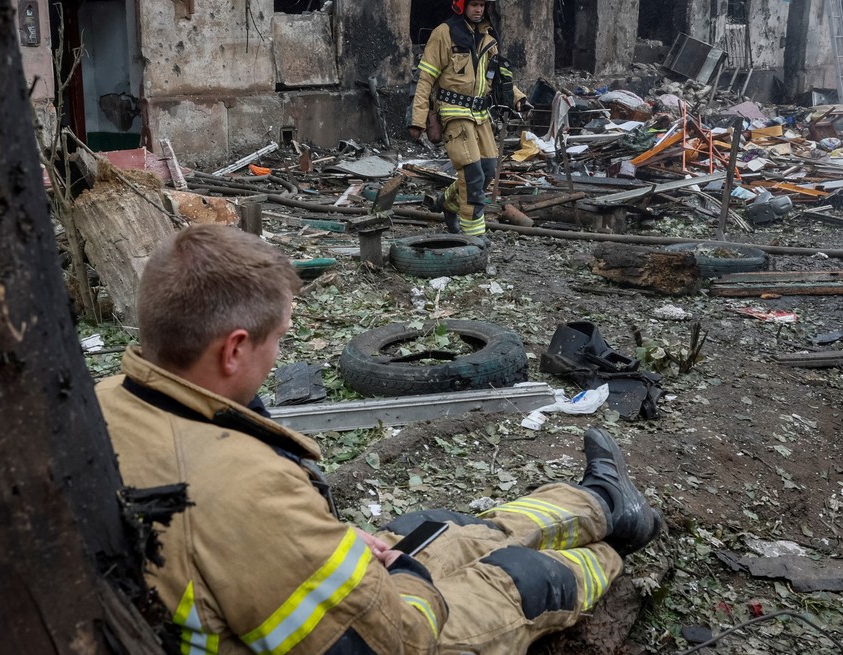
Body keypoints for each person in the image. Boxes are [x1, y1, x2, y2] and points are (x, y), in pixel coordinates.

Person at [95, 225, 662, 655]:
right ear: (234, 349)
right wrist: (401, 576)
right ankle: (608, 553)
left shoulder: (106, 400)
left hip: (242, 579)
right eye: (278, 340)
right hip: (365, 637)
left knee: (444, 527)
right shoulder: (249, 490)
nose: (278, 358)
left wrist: (350, 550)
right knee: (521, 579)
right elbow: (401, 640)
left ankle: (605, 503)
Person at [408, 0, 532, 238]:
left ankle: (448, 202)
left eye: (482, 5)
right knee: (472, 174)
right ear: (461, 5)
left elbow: (498, 78)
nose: (479, 10)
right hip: (454, 114)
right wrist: (417, 119)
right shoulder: (444, 34)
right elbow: (425, 79)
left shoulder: (488, 39)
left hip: (481, 115)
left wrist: (518, 98)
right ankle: (473, 236)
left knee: (486, 171)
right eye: (474, 4)